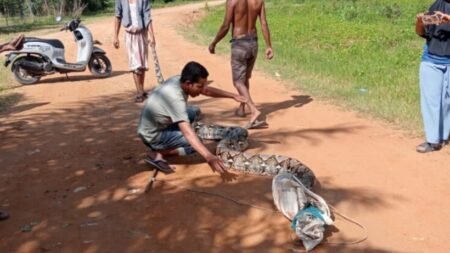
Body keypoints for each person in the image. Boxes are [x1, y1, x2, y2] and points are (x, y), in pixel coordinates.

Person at [137, 61, 247, 174]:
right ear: (188, 83)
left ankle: (169, 140)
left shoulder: (179, 79)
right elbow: (187, 133)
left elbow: (206, 90)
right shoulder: (175, 99)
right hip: (153, 135)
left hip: (154, 124)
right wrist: (209, 157)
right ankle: (158, 153)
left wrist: (233, 96)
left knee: (194, 112)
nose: (202, 89)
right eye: (199, 86)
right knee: (196, 143)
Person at [208, 0, 273, 129]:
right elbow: (264, 23)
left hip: (240, 44)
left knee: (238, 82)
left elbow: (225, 26)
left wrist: (214, 43)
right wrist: (269, 46)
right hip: (253, 43)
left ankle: (253, 110)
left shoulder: (233, 1)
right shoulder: (259, 1)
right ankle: (242, 108)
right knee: (244, 79)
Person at [415, 1, 450, 153]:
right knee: (431, 101)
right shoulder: (437, 5)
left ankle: (444, 136)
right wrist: (420, 22)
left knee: (447, 101)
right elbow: (421, 32)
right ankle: (432, 140)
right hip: (431, 60)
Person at [114, 0, 156, 103]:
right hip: (130, 35)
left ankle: (141, 90)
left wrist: (152, 35)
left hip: (142, 34)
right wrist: (115, 36)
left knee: (142, 64)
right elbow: (117, 16)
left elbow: (147, 17)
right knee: (135, 64)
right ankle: (139, 92)